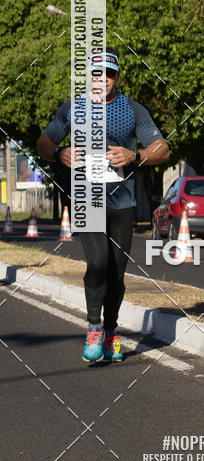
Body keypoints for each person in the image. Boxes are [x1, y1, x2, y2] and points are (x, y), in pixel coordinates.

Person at [37, 47, 169, 362]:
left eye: (109, 73)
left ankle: (110, 332)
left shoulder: (132, 109)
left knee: (117, 272)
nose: (104, 79)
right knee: (97, 262)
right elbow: (44, 142)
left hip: (122, 202)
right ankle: (94, 327)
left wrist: (135, 155)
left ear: (116, 76)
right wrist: (59, 154)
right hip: (86, 197)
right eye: (98, 73)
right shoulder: (73, 108)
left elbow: (162, 149)